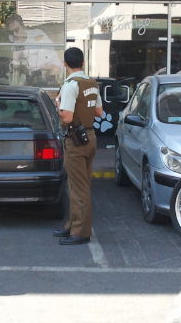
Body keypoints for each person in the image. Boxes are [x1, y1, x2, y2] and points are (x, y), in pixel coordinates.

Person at [52, 47, 102, 245]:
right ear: (82, 62)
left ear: (65, 64)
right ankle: (71, 226)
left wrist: (58, 105)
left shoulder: (71, 85)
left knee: (78, 188)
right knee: (79, 185)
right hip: (89, 137)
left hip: (75, 139)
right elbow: (99, 112)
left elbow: (67, 116)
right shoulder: (92, 83)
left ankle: (80, 232)